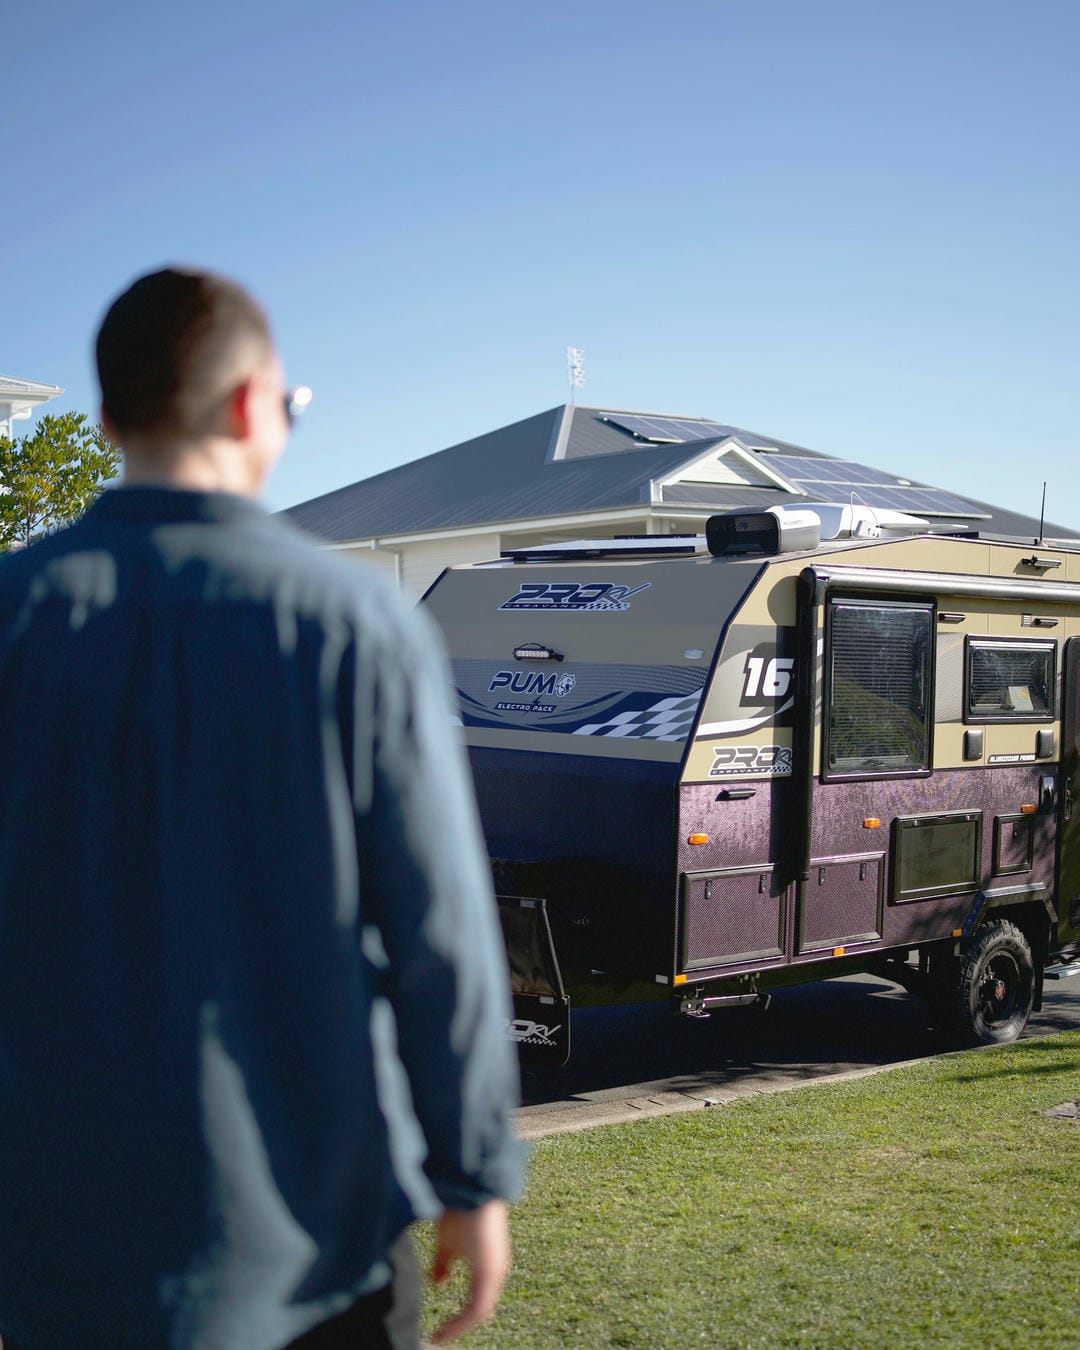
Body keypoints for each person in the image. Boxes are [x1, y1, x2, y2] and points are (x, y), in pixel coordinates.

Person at [0, 268, 523, 1349]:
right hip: (317, 1253)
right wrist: (473, 1174)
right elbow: (444, 937)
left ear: (105, 421)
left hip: (59, 1248)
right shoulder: (360, 629)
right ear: (251, 405)